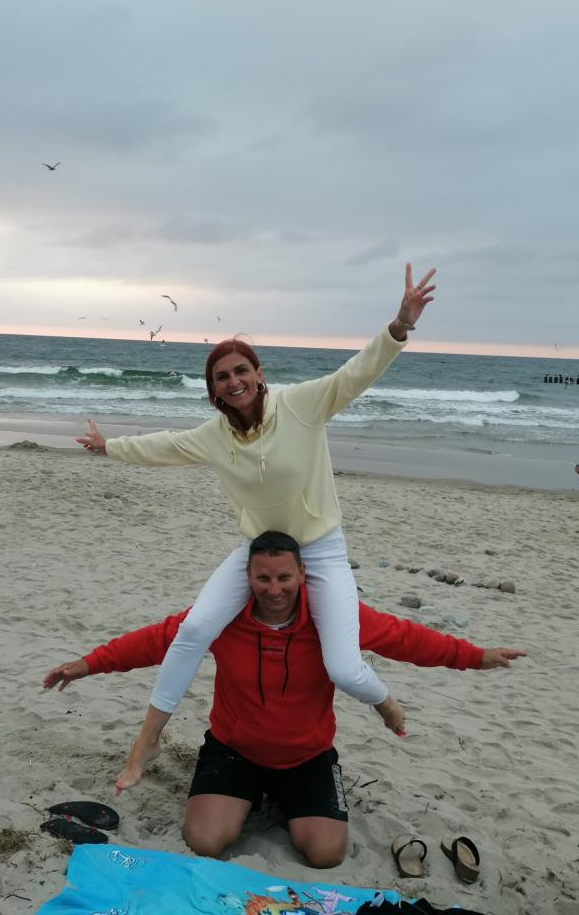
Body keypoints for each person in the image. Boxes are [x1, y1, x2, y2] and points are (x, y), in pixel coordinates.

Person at [77, 263, 437, 791]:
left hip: (320, 550)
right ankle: (146, 741)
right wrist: (109, 446)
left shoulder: (301, 406)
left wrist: (400, 326)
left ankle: (385, 702)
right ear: (214, 390)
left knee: (344, 669)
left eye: (241, 370)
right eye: (222, 377)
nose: (234, 381)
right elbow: (164, 446)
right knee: (194, 630)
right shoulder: (213, 435)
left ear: (259, 372)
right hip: (258, 554)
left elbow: (355, 374)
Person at [43, 531, 525, 868]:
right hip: (234, 750)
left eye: (284, 578)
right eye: (263, 579)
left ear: (302, 574)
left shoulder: (334, 618)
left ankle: (281, 799)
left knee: (325, 855)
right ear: (247, 577)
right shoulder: (221, 617)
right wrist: (88, 664)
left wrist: (474, 656)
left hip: (306, 756)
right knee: (205, 842)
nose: (274, 590)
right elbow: (156, 641)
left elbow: (406, 638)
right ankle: (249, 796)